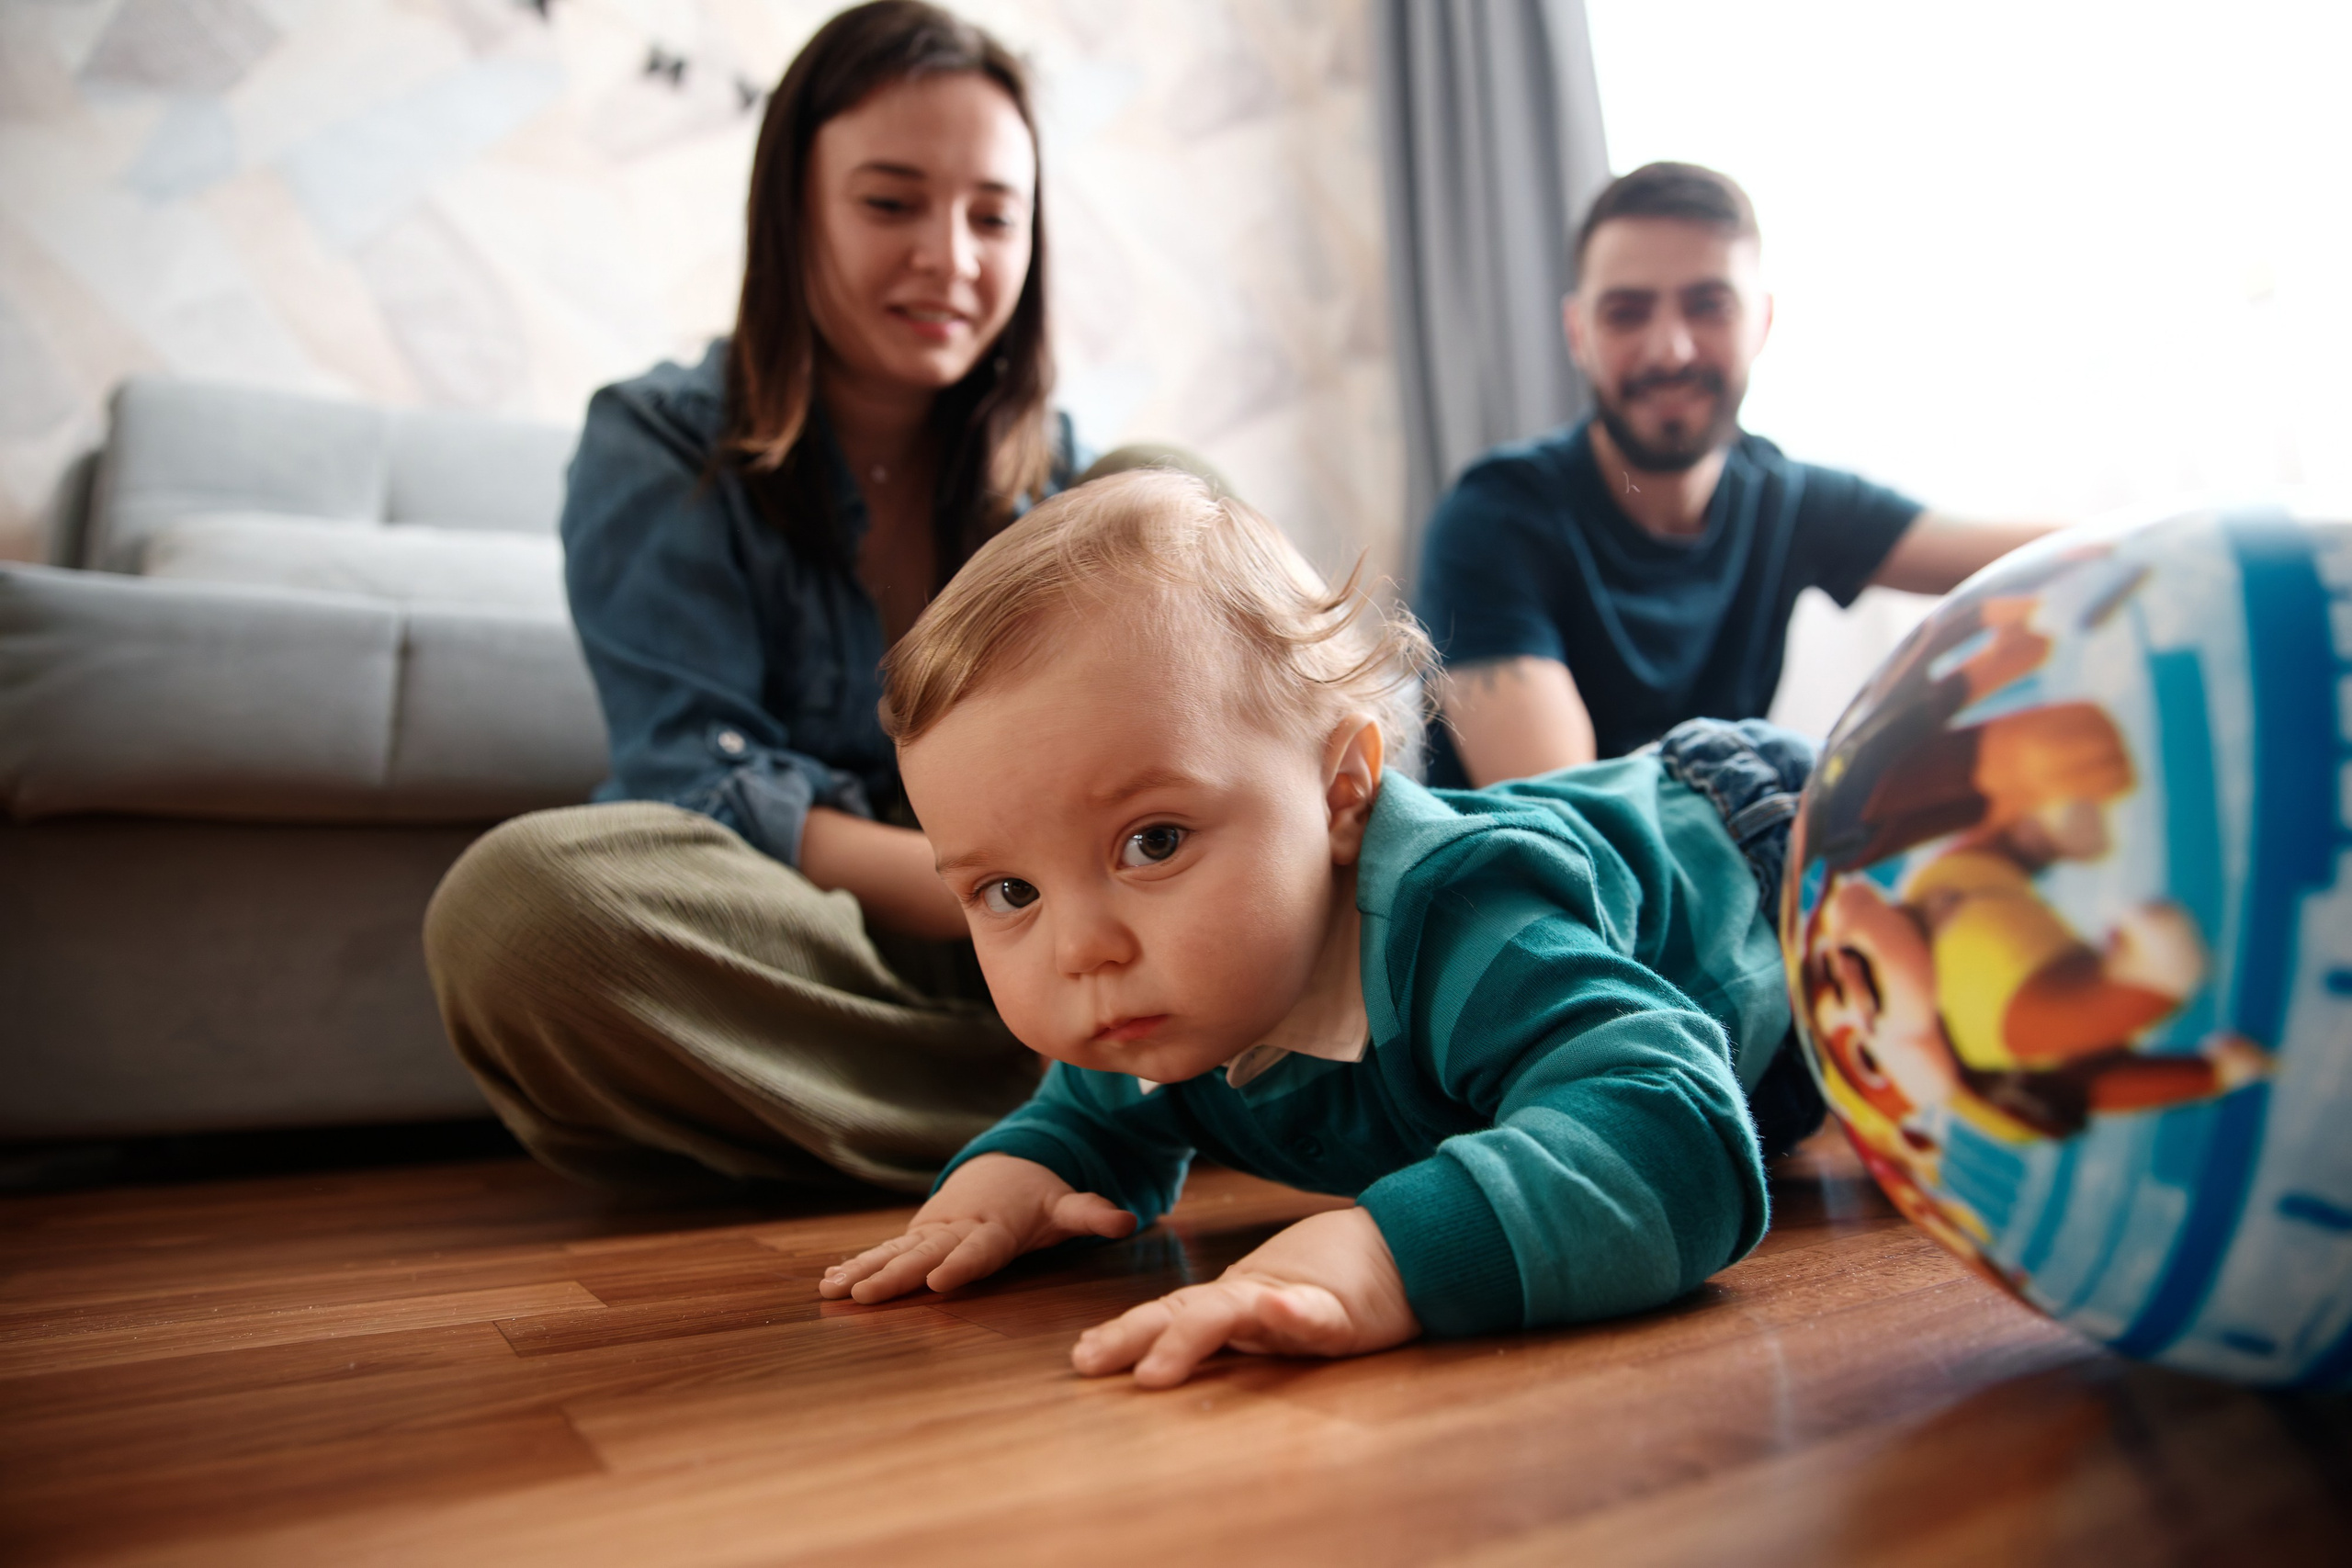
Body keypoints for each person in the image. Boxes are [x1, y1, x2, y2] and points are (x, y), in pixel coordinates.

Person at [820, 469, 1823, 1389]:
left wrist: (1382, 1258)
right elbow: (1085, 1119)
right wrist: (1005, 1189)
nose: (1081, 951)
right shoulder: (1154, 1006)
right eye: (1008, 893)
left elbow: (1676, 1128)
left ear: (1343, 789)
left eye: (1154, 841)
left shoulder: (1463, 916)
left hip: (1788, 858)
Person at [425, 3, 1125, 1195]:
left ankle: (1118, 1077)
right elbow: (698, 774)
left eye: (993, 216)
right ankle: (1111, 1104)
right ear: (791, 208)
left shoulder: (1058, 467)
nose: (950, 258)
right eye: (891, 202)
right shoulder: (655, 437)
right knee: (516, 914)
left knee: (1169, 492)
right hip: (852, 939)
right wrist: (1012, 899)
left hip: (1098, 934)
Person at [1416, 162, 2058, 788]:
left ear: (1763, 322)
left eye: (1709, 306)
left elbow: (2061, 555)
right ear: (1578, 333)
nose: (1671, 349)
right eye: (1627, 312)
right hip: (1550, 893)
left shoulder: (1788, 498)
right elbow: (1576, 832)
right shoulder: (1495, 517)